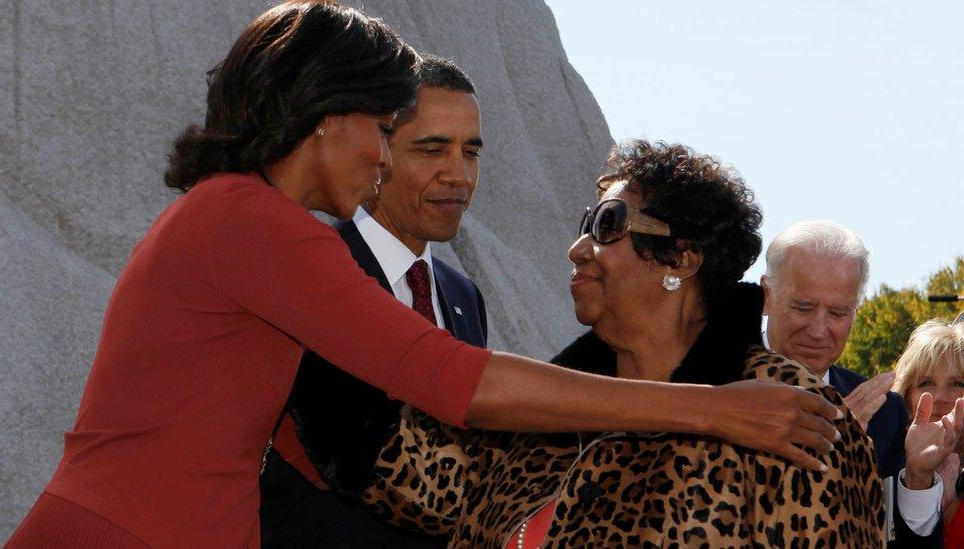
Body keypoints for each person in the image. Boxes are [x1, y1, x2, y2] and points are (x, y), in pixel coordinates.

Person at [4, 3, 844, 547]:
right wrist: (711, 410)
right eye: (384, 125)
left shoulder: (246, 223)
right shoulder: (251, 223)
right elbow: (456, 382)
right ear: (327, 120)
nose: (384, 156)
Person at [324, 140, 886, 546]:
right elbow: (391, 465)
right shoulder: (536, 422)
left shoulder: (788, 414)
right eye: (586, 223)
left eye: (609, 226)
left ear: (682, 259)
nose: (577, 248)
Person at [259, 54, 486, 548]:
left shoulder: (465, 297)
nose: (459, 175)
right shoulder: (313, 270)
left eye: (470, 152)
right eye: (432, 150)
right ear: (380, 150)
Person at [762, 220, 953, 545]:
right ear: (766, 295)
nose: (819, 330)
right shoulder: (711, 386)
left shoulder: (884, 412)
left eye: (837, 313)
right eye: (803, 307)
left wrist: (918, 479)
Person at [892, 319, 964, 547]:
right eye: (926, 383)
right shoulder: (881, 471)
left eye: (958, 384)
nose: (940, 397)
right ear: (906, 396)